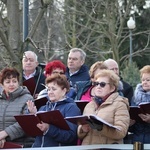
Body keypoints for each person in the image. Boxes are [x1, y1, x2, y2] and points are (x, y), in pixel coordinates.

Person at [27, 74, 81, 147]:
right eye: (48, 89)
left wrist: (49, 129)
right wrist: (33, 117)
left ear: (64, 91)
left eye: (54, 89)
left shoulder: (71, 108)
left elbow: (70, 136)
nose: (50, 92)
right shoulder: (43, 108)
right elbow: (34, 135)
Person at [77, 70, 130, 145]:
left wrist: (101, 128)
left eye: (102, 84)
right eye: (96, 84)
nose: (98, 87)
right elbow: (80, 135)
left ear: (112, 88)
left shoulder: (120, 104)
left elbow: (121, 133)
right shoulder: (89, 105)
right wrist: (82, 129)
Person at [0, 68, 34, 148]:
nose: (11, 84)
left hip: (21, 143)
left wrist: (5, 133)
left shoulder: (27, 98)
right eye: (8, 82)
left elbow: (25, 122)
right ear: (2, 85)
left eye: (14, 81)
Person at [129, 65, 150, 143]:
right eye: (143, 79)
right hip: (137, 140)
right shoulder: (135, 97)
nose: (145, 82)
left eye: (148, 80)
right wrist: (130, 124)